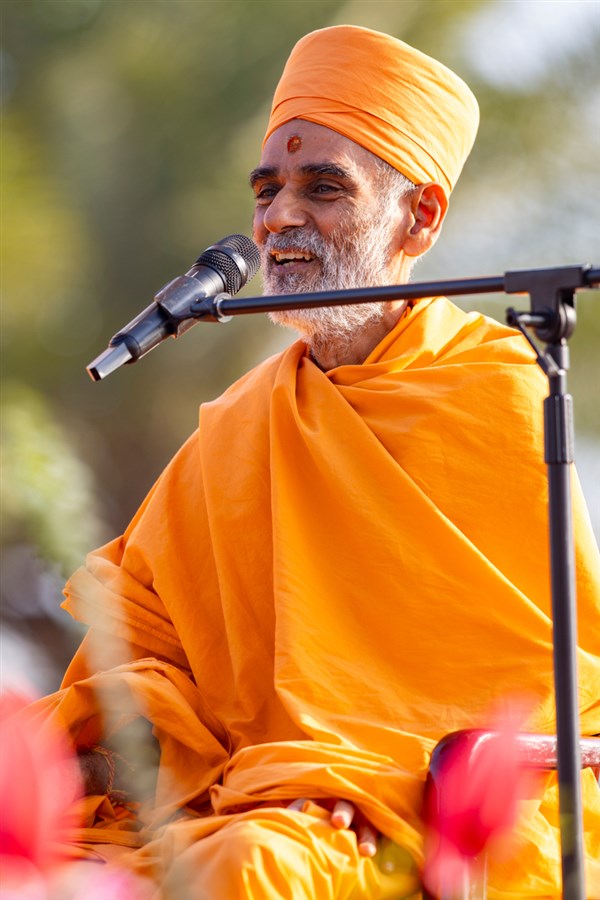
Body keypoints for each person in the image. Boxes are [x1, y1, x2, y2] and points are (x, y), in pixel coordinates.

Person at [23, 24, 600, 899]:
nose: (280, 217)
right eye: (268, 190)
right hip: (236, 796)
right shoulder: (239, 424)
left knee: (249, 865)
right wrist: (94, 750)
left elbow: (530, 688)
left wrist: (347, 775)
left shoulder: (498, 393)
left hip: (396, 808)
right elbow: (147, 653)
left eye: (324, 187)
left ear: (423, 216)